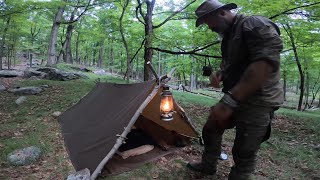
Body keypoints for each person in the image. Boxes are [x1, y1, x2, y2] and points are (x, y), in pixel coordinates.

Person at [187, 0, 284, 179]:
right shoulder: (228, 38)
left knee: (244, 150)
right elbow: (232, 66)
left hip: (258, 101)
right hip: (233, 97)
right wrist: (220, 74)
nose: (209, 27)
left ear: (222, 13)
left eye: (209, 21)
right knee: (210, 129)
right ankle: (208, 166)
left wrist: (229, 101)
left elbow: (265, 63)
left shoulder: (254, 24)